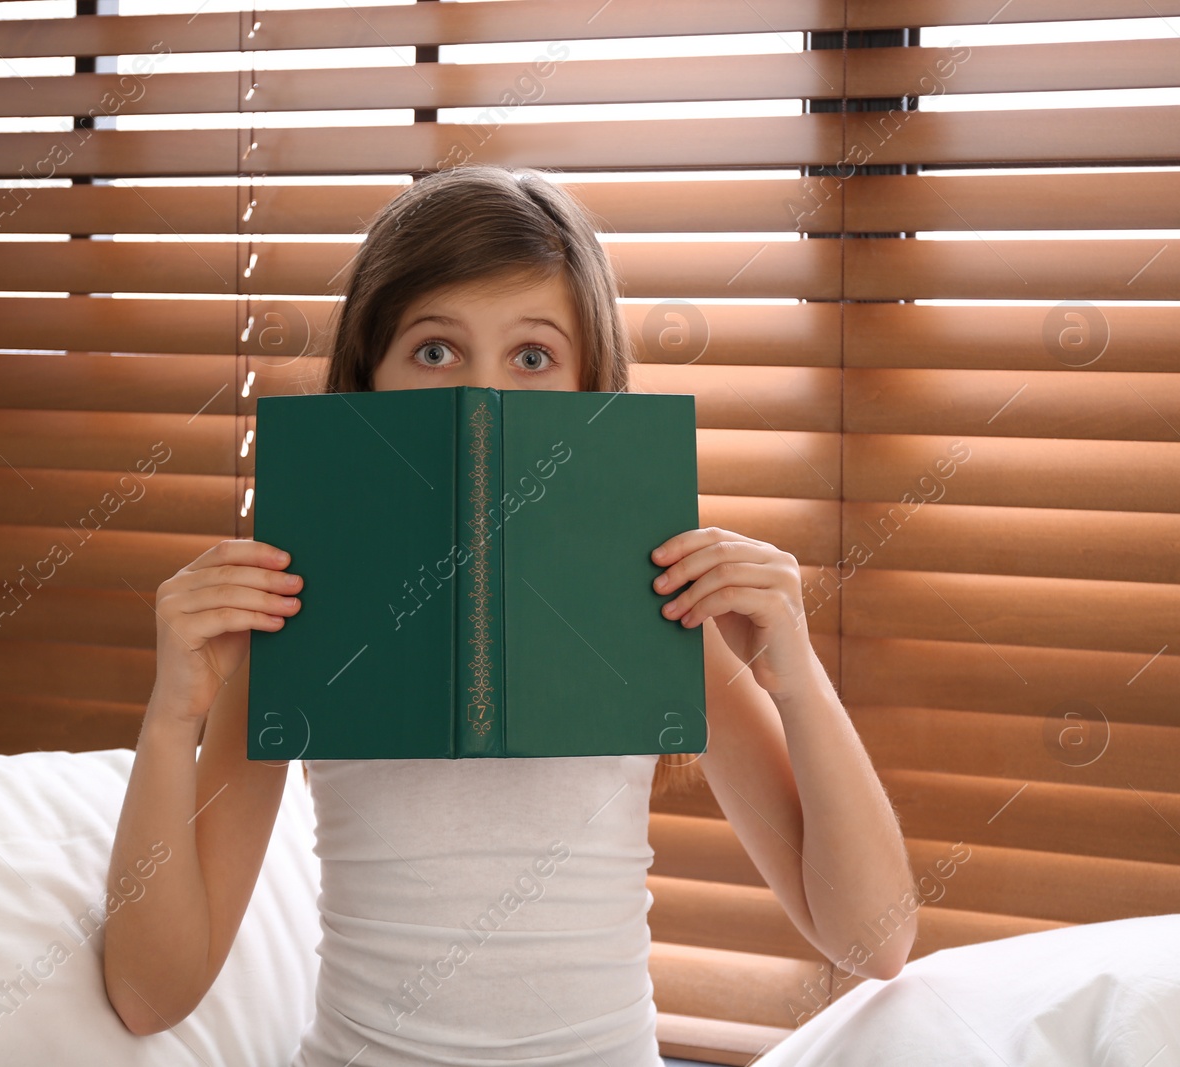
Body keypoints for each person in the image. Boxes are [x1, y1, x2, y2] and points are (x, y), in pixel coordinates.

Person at [101, 164, 917, 1064]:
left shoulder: (654, 606)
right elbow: (148, 995)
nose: (478, 395)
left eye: (533, 357)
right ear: (368, 379)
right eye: (435, 350)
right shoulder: (301, 616)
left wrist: (795, 671)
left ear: (587, 386)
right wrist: (173, 713)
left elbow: (870, 938)